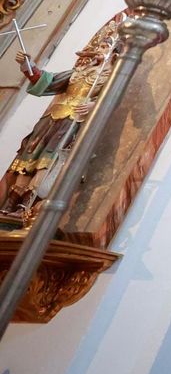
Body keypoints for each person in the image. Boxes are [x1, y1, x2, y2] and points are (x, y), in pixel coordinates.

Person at [0, 18, 119, 221]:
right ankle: (11, 200)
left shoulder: (111, 76)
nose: (100, 49)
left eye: (105, 46)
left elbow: (113, 99)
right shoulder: (79, 72)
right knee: (30, 155)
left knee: (48, 160)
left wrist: (94, 104)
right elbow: (49, 82)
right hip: (52, 118)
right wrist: (28, 66)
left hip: (72, 120)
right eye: (99, 45)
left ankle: (25, 205)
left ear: (115, 52)